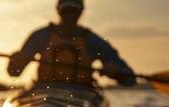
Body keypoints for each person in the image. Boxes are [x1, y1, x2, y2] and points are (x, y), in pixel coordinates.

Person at [7, 0, 136, 88]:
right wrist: (16, 61)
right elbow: (14, 73)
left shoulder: (94, 41)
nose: (70, 15)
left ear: (81, 12)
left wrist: (117, 72)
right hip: (43, 91)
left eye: (74, 11)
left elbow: (131, 80)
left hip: (82, 93)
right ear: (58, 11)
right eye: (66, 10)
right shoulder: (40, 37)